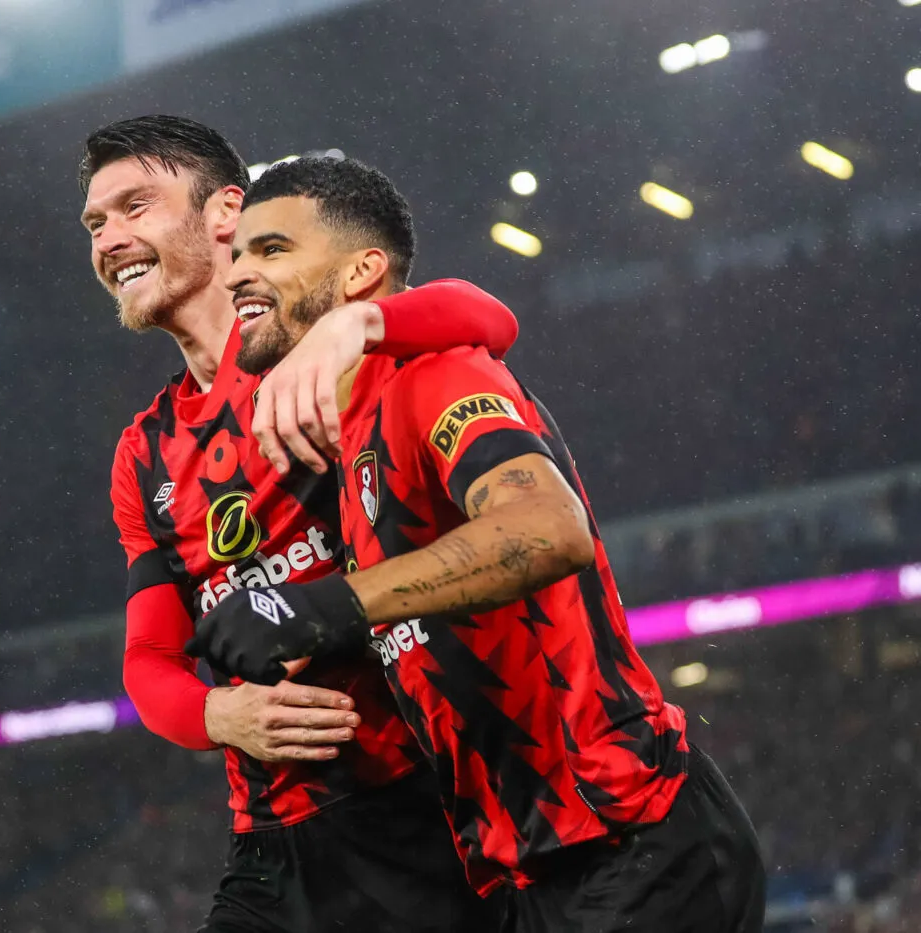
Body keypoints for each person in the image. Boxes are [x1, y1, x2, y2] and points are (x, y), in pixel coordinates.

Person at [188, 156, 767, 932]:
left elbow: (547, 528)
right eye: (239, 254)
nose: (237, 276)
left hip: (631, 834)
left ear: (362, 273)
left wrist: (330, 605)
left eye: (271, 250)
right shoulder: (349, 434)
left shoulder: (437, 374)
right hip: (519, 873)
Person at [81, 115, 516, 931]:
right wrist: (218, 715)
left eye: (136, 206)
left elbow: (488, 318)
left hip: (423, 803)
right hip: (273, 847)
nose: (110, 238)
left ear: (226, 216)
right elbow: (149, 659)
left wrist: (356, 325)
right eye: (96, 223)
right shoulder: (143, 453)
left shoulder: (316, 339)